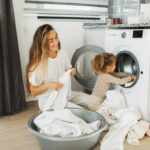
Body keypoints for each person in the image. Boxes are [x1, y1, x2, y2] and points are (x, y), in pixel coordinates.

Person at [26, 24, 76, 110]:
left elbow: (68, 69)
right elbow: (33, 91)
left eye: (56, 37)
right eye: (51, 40)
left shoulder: (62, 53)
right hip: (49, 100)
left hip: (64, 94)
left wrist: (71, 71)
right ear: (43, 43)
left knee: (90, 100)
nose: (56, 42)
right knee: (80, 114)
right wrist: (48, 85)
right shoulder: (37, 64)